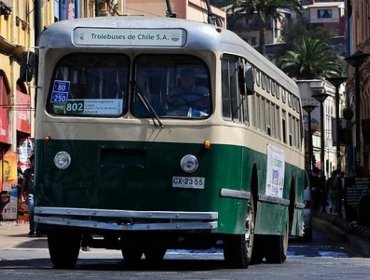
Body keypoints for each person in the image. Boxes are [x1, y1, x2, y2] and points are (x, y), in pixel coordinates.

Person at [21, 154, 37, 236]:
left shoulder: (41, 171)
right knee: (31, 210)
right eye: (34, 161)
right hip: (31, 194)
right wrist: (22, 193)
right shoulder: (27, 171)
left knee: (39, 212)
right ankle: (32, 229)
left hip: (40, 195)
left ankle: (39, 229)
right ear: (31, 162)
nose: (35, 162)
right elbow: (24, 183)